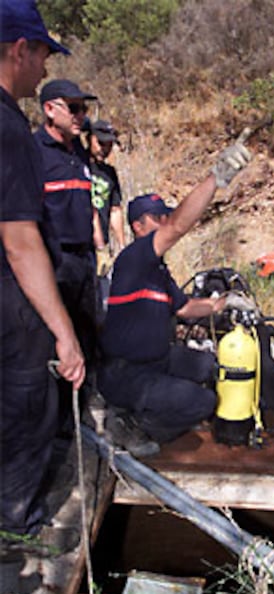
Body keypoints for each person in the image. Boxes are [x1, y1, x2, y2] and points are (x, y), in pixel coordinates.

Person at [97, 141, 251, 451]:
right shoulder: (133, 258)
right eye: (158, 217)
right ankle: (131, 425)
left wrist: (223, 303)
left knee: (210, 366)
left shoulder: (158, 271)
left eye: (166, 215)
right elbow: (180, 225)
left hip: (157, 360)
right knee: (204, 401)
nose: (166, 221)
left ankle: (159, 407)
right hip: (125, 373)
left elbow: (184, 309)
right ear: (138, 226)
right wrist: (216, 177)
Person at [0, 0, 85, 555]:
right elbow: (19, 239)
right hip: (12, 312)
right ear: (19, 49)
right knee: (29, 414)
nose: (43, 70)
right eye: (42, 56)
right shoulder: (10, 129)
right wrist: (64, 331)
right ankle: (13, 529)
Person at [34, 78, 100, 419]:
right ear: (49, 109)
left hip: (84, 259)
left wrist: (98, 243)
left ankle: (82, 409)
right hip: (53, 262)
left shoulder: (79, 153)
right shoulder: (33, 152)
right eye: (73, 108)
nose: (80, 116)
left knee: (87, 334)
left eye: (83, 109)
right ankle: (56, 420)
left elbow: (87, 205)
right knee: (55, 341)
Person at [86, 119, 125, 308]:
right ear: (89, 138)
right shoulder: (78, 165)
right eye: (101, 143)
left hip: (102, 248)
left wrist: (121, 245)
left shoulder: (109, 173)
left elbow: (115, 209)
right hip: (82, 244)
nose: (105, 149)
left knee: (102, 301)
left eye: (109, 145)